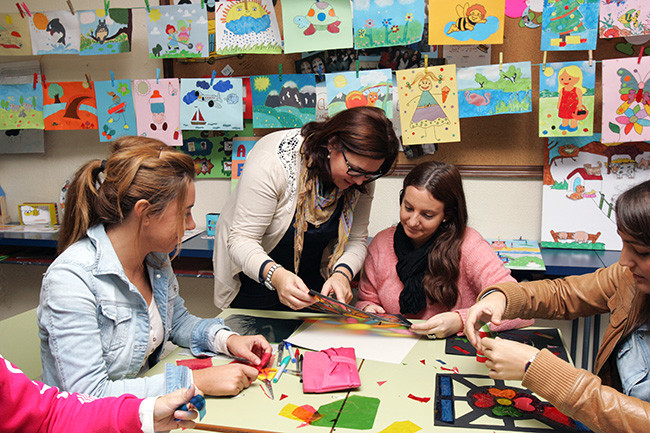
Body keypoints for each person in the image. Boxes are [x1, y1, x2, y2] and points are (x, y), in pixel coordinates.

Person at [38, 136, 272, 399]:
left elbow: (177, 322)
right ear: (146, 213)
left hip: (143, 415)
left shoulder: (154, 259)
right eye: (185, 213)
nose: (192, 224)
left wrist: (228, 341)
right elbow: (87, 396)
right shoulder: (72, 279)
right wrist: (194, 381)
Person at [464, 179, 650, 433]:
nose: (624, 259)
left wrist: (538, 368)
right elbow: (563, 294)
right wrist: (503, 297)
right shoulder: (627, 277)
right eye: (624, 243)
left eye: (640, 251)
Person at [213, 107, 399, 311]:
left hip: (312, 279)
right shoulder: (274, 161)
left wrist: (342, 274)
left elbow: (356, 240)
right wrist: (277, 276)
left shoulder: (361, 178)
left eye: (369, 175)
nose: (359, 181)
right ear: (333, 143)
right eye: (355, 170)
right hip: (257, 275)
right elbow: (242, 240)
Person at [356, 161, 533, 338]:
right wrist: (368, 310)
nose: (412, 221)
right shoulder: (381, 244)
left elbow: (520, 310)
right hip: (395, 346)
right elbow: (365, 301)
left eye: (427, 215)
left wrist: (460, 321)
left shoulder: (469, 246)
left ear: (446, 215)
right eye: (408, 208)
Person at [1, 354, 199, 433]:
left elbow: (49, 414)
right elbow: (90, 389)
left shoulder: (156, 268)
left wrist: (143, 412)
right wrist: (193, 379)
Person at [556, 65, 585, 132]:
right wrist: (558, 104)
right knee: (565, 116)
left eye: (569, 79)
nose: (565, 81)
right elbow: (560, 98)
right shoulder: (562, 90)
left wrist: (580, 104)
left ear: (577, 78)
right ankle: (564, 124)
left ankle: (573, 126)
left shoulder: (577, 89)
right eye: (562, 79)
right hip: (564, 106)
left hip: (574, 107)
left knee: (574, 117)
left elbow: (580, 98)